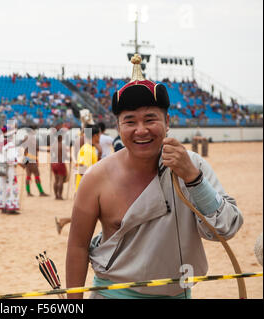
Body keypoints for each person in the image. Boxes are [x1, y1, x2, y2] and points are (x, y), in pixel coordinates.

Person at [66, 54, 243, 299]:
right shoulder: (96, 178)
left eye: (150, 119)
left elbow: (225, 230)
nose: (141, 130)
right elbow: (77, 247)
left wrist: (193, 179)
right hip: (112, 294)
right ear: (118, 127)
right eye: (130, 121)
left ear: (167, 121)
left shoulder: (192, 165)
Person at [0, 125, 22, 214]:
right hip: (9, 169)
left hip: (1, 168)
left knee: (2, 186)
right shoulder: (11, 145)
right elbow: (13, 159)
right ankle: (11, 207)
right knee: (11, 186)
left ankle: (3, 206)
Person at [21, 126, 48, 197]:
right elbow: (36, 148)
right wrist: (47, 150)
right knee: (36, 175)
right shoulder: (32, 138)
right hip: (31, 159)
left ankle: (28, 192)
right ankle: (41, 192)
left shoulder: (25, 138)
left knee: (28, 175)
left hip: (27, 158)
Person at [50, 133, 69, 200]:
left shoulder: (53, 145)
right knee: (61, 180)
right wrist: (69, 158)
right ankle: (60, 195)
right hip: (60, 163)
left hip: (53, 164)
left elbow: (51, 155)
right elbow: (65, 156)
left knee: (56, 180)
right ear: (61, 137)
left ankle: (56, 195)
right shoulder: (62, 145)